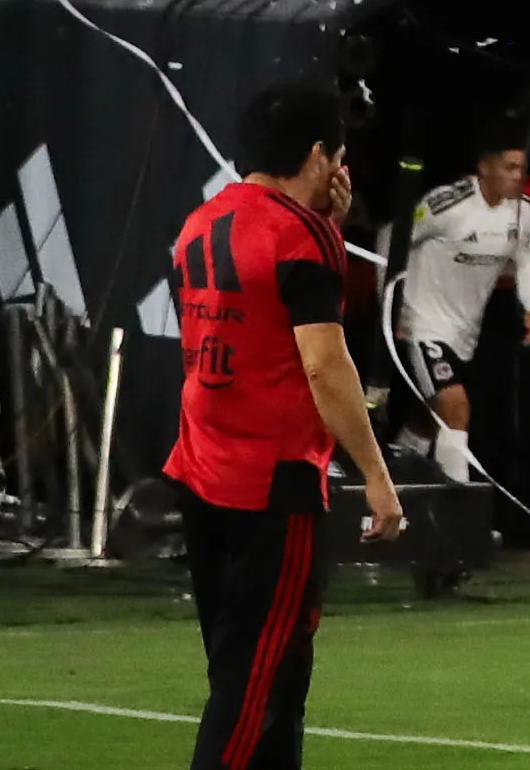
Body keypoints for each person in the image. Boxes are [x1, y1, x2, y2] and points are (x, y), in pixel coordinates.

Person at [168, 81, 404, 770]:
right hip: (270, 487)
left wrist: (329, 226)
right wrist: (378, 478)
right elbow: (323, 367)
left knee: (263, 679)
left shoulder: (197, 225)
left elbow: (257, 333)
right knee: (257, 691)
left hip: (202, 473)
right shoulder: (297, 236)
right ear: (318, 155)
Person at [388, 125, 530, 490]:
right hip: (423, 325)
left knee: (430, 417)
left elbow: (526, 258)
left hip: (465, 334)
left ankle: (396, 471)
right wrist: (392, 308)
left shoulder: (522, 213)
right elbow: (393, 239)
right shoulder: (447, 204)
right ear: (484, 167)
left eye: (522, 168)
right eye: (509, 167)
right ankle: (457, 508)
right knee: (456, 406)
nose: (518, 176)